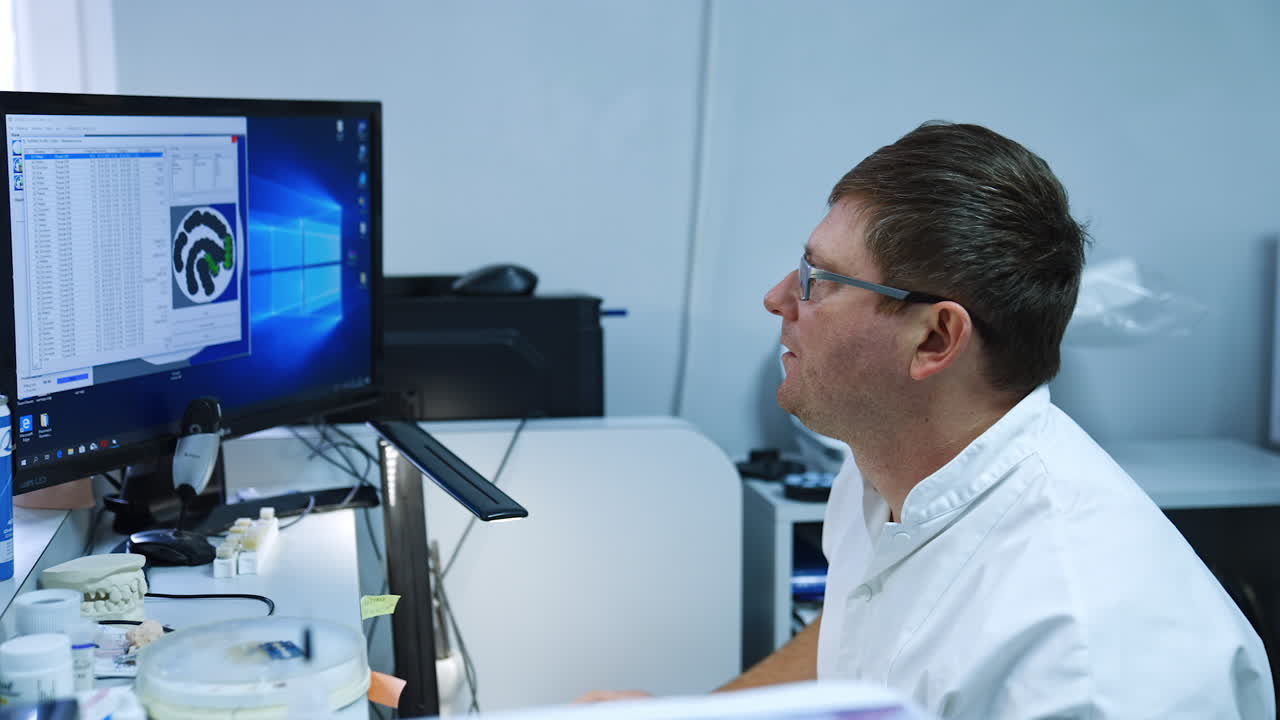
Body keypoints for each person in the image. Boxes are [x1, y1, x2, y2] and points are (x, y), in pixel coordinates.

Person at [582, 122, 1274, 718]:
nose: (776, 298)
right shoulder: (888, 466)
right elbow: (863, 628)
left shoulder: (1080, 654)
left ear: (935, 339)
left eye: (819, 281)